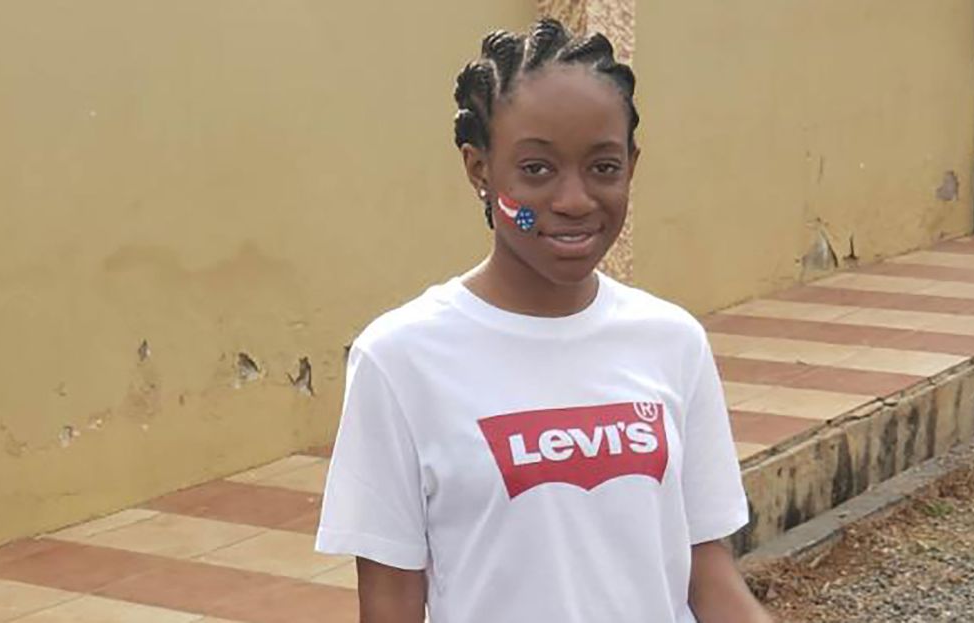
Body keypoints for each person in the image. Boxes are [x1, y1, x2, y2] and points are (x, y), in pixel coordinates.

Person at [316, 18, 773, 623]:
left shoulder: (672, 341)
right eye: (536, 169)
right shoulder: (401, 357)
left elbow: (707, 575)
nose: (574, 200)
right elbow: (391, 603)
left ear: (632, 166)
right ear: (480, 169)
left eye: (603, 167)